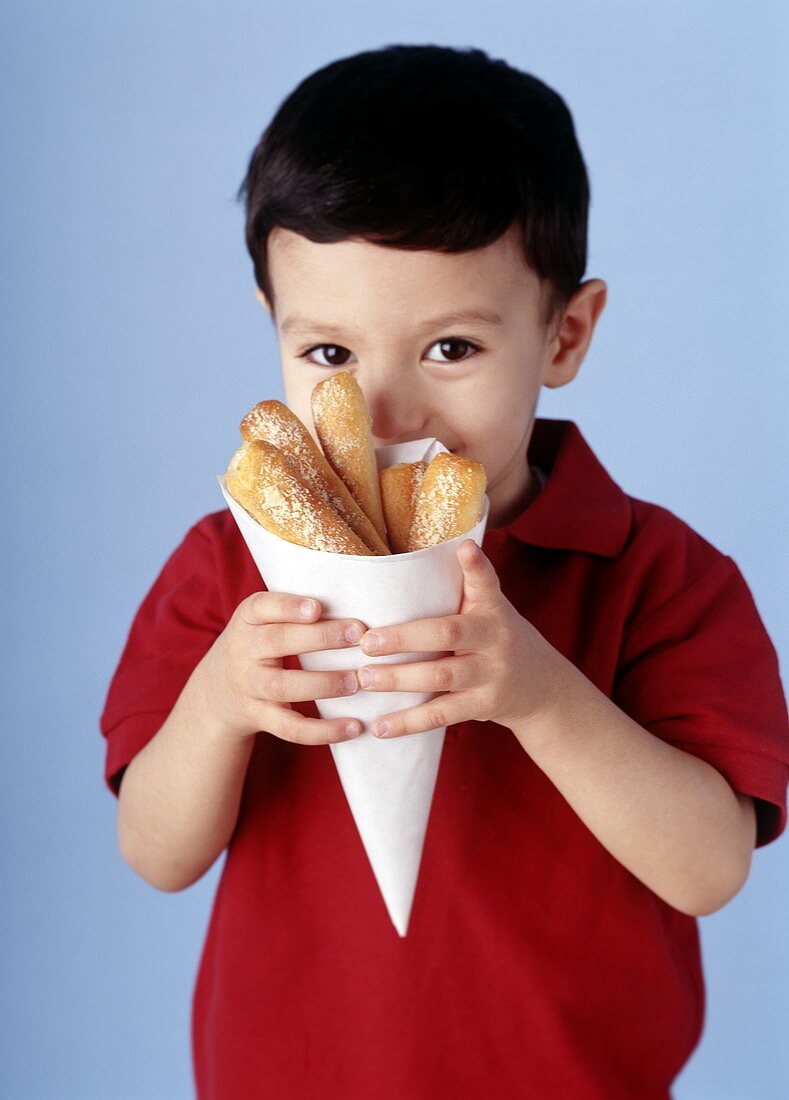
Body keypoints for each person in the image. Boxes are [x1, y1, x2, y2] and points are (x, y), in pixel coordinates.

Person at [100, 44, 789, 1100]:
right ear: (272, 332)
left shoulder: (662, 576)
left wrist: (545, 695)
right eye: (328, 353)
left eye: (452, 347)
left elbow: (709, 868)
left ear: (565, 333)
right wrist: (219, 705)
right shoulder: (226, 565)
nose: (383, 415)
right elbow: (157, 852)